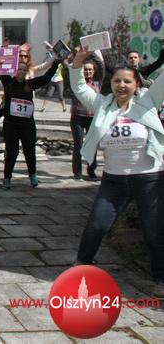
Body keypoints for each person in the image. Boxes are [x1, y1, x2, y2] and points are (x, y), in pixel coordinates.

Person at [70, 47, 164, 297]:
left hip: (149, 179)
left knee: (154, 232)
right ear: (111, 84)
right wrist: (78, 61)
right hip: (114, 180)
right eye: (117, 81)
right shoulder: (102, 105)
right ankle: (82, 264)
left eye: (127, 81)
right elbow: (79, 87)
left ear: (136, 84)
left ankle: (160, 278)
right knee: (97, 226)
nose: (122, 85)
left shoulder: (148, 101)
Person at [0, 52, 61, 190]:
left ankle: (32, 175)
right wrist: (4, 52)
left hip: (27, 125)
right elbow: (1, 68)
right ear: (14, 71)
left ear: (26, 72)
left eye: (23, 70)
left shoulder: (30, 84)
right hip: (11, 125)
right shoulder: (8, 83)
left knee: (29, 152)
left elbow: (46, 78)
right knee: (11, 153)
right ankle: (7, 178)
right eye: (18, 69)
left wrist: (56, 62)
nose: (21, 72)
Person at [70, 58, 101, 180]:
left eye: (90, 70)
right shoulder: (77, 83)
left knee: (92, 145)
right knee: (78, 144)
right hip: (77, 117)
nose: (88, 72)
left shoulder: (98, 84)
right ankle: (77, 172)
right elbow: (71, 66)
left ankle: (91, 170)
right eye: (85, 70)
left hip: (92, 117)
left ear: (94, 71)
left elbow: (102, 66)